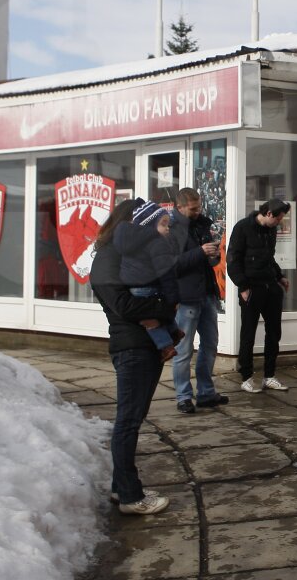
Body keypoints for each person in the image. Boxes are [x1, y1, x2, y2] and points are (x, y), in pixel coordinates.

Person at [91, 198, 172, 516]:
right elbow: (123, 306)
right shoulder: (108, 258)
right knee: (127, 422)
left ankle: (119, 487)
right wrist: (165, 308)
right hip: (132, 348)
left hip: (144, 345)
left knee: (131, 420)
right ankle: (129, 496)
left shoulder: (129, 256)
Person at [168, 187, 226, 414]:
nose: (198, 211)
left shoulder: (203, 223)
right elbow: (171, 265)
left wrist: (214, 255)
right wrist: (200, 252)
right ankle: (183, 396)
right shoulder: (171, 230)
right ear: (179, 207)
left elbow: (210, 259)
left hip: (207, 294)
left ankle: (206, 393)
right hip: (186, 297)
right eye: (193, 208)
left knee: (210, 345)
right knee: (183, 350)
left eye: (199, 206)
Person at [227, 198, 292, 392]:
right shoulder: (242, 228)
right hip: (251, 287)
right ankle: (246, 376)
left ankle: (269, 375)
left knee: (274, 332)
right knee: (248, 332)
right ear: (269, 214)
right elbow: (232, 259)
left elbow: (268, 256)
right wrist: (243, 286)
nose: (279, 222)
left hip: (270, 286)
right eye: (279, 218)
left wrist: (280, 276)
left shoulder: (271, 230)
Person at [115, 199, 182, 362]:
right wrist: (174, 297)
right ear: (150, 225)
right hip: (148, 285)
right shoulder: (156, 242)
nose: (167, 229)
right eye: (163, 224)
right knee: (149, 319)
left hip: (134, 286)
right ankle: (166, 344)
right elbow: (166, 272)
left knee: (148, 316)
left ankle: (173, 333)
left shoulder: (128, 240)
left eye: (168, 224)